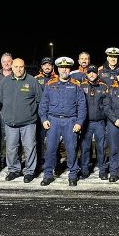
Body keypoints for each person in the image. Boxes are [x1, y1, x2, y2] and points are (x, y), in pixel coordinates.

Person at [39, 56, 87, 186]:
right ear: (58, 69)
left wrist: (79, 122)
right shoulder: (50, 85)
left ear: (69, 69)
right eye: (61, 67)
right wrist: (44, 119)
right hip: (53, 121)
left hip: (70, 121)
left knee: (71, 149)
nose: (64, 70)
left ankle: (72, 175)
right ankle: (48, 175)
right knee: (50, 150)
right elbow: (43, 104)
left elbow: (82, 106)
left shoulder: (76, 85)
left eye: (66, 67)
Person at [0, 58, 43, 182]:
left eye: (21, 67)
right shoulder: (5, 82)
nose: (18, 69)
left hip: (28, 123)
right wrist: (5, 115)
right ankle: (14, 170)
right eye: (16, 66)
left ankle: (29, 171)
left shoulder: (32, 81)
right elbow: (0, 100)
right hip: (10, 123)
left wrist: (33, 115)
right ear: (11, 67)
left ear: (24, 67)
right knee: (11, 148)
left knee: (29, 147)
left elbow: (40, 101)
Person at [79, 65, 109, 179]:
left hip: (99, 122)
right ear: (86, 74)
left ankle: (103, 170)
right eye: (89, 72)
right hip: (86, 123)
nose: (92, 74)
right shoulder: (81, 86)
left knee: (101, 147)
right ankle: (85, 170)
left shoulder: (103, 86)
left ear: (97, 74)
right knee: (85, 148)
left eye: (94, 72)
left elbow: (107, 105)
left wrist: (106, 119)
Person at [0, 52, 14, 169]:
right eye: (4, 61)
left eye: (9, 61)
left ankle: (14, 160)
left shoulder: (17, 75)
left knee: (14, 138)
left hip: (14, 111)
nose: (6, 63)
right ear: (1, 63)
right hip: (0, 112)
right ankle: (0, 160)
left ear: (12, 62)